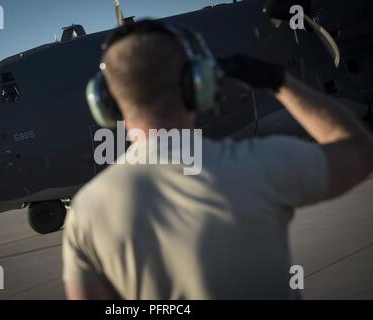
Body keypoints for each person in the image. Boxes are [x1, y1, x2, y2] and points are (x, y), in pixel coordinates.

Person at [62, 20, 373, 299]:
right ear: (199, 84)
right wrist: (279, 82)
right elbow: (359, 151)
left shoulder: (85, 212)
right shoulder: (261, 163)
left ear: (105, 104)